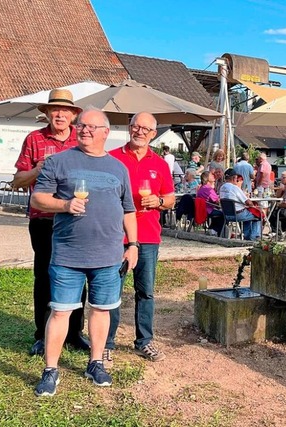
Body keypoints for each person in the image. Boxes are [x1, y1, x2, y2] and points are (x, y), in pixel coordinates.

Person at [31, 107, 138, 397]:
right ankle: (50, 370)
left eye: (91, 126)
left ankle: (95, 362)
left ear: (105, 132)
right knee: (61, 311)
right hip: (68, 254)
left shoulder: (118, 167)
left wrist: (133, 245)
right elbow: (38, 198)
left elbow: (129, 210)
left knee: (101, 310)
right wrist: (65, 205)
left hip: (108, 255)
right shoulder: (59, 161)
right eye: (81, 126)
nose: (84, 130)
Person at [12, 88, 89, 356]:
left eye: (64, 110)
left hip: (74, 220)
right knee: (45, 275)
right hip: (44, 220)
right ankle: (42, 334)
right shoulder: (34, 139)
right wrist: (37, 169)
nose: (59, 114)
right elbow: (18, 180)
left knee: (78, 275)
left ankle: (75, 333)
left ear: (73, 115)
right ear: (46, 113)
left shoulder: (81, 140)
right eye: (54, 110)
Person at [104, 112, 175, 366]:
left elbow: (170, 198)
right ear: (129, 128)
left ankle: (144, 341)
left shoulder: (160, 163)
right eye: (136, 127)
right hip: (116, 236)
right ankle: (106, 343)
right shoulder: (112, 158)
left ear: (153, 134)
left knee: (145, 292)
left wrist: (157, 201)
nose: (140, 132)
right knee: (111, 291)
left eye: (146, 129)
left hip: (148, 236)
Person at [219, 168, 261, 240]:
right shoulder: (234, 188)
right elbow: (248, 202)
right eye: (237, 178)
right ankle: (254, 237)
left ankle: (247, 236)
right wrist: (252, 205)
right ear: (234, 178)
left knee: (247, 215)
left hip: (226, 215)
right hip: (238, 215)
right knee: (258, 214)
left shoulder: (222, 187)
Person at [196, 170, 225, 236]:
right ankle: (217, 232)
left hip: (203, 209)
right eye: (211, 175)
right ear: (207, 178)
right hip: (208, 210)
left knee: (218, 214)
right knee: (224, 215)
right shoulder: (208, 189)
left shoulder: (202, 188)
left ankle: (212, 229)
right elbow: (217, 201)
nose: (213, 176)